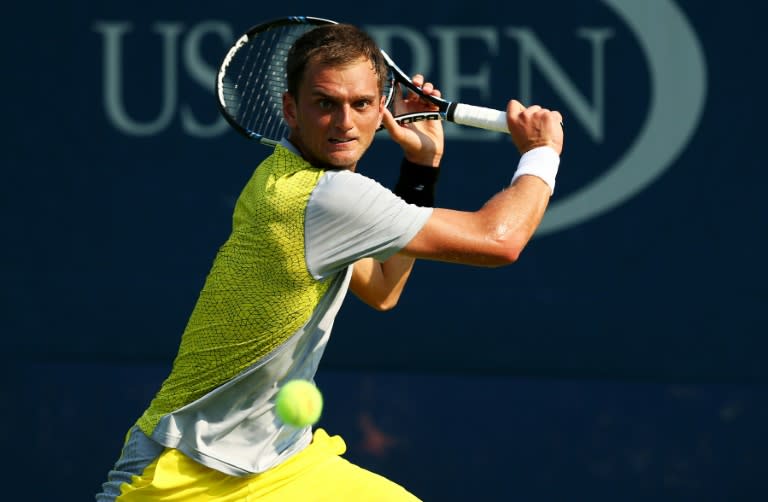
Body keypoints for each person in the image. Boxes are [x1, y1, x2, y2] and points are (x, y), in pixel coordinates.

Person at [96, 22, 563, 501]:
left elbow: (382, 290)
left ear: (381, 109)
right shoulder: (324, 198)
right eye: (326, 103)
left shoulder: (296, 178)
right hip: (182, 474)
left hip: (280, 467)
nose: (345, 121)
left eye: (360, 104)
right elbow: (498, 240)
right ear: (290, 110)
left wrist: (421, 169)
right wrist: (542, 154)